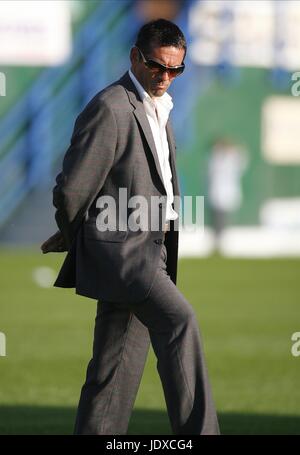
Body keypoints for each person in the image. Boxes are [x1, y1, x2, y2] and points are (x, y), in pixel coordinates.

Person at [41, 19, 220, 435]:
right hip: (126, 254)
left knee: (112, 371)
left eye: (176, 70)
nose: (166, 78)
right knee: (181, 323)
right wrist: (75, 237)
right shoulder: (111, 107)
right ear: (135, 57)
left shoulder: (160, 106)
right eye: (158, 66)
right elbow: (72, 189)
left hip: (151, 250)